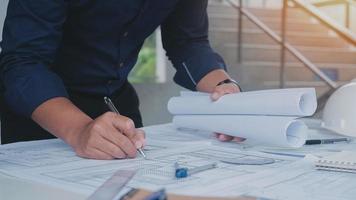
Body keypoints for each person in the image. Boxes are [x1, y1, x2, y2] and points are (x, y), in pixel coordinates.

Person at [0, 0, 241, 160]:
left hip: (116, 106)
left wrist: (224, 89)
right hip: (45, 110)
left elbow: (188, 42)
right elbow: (23, 61)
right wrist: (79, 130)